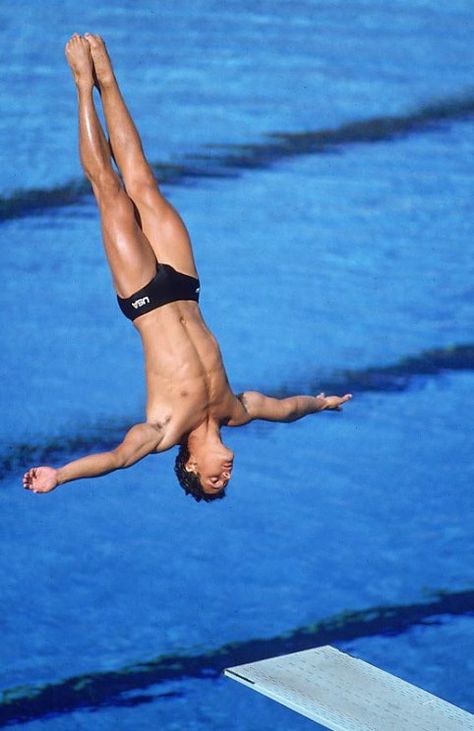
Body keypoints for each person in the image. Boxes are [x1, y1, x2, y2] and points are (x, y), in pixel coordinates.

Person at [23, 34, 352, 502]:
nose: (228, 474)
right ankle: (108, 79)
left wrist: (61, 474)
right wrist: (321, 404)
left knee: (111, 193)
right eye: (226, 481)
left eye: (216, 479)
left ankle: (80, 84)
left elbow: (116, 459)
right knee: (143, 182)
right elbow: (286, 408)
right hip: (184, 284)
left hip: (143, 297)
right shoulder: (234, 410)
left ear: (192, 465)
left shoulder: (163, 429)